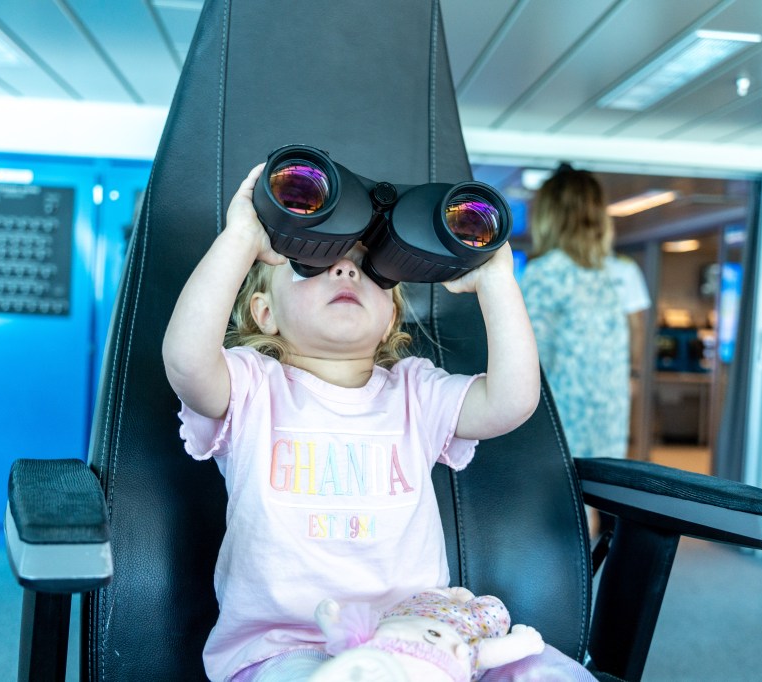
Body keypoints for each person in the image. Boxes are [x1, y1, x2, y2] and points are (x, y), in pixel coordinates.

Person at [162, 163, 594, 682]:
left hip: (418, 639)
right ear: (264, 313)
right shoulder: (253, 388)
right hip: (284, 648)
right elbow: (187, 360)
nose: (346, 271)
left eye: (370, 270)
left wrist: (496, 279)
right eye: (311, 263)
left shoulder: (415, 390)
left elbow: (512, 401)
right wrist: (241, 239)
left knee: (540, 671)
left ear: (391, 316)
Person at [519, 164, 629, 462]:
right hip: (606, 433)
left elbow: (524, 366)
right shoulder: (612, 275)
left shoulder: (546, 273)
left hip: (557, 434)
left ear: (548, 216)